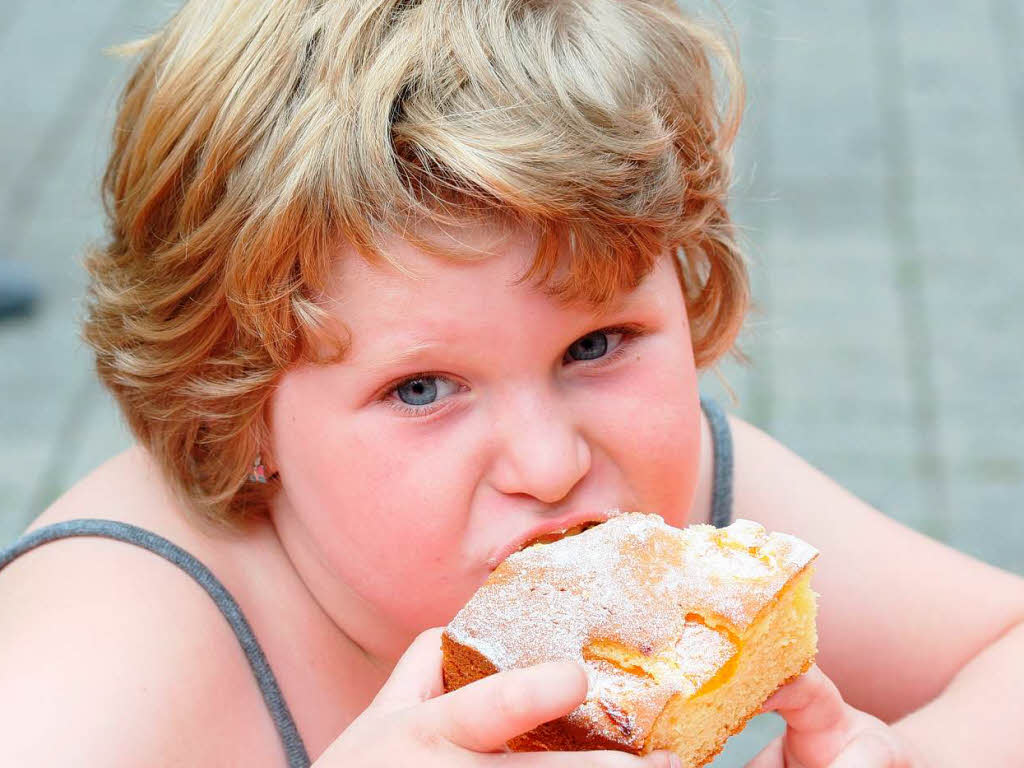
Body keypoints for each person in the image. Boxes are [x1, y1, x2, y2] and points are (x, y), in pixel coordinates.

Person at [1, 1, 1021, 766]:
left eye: (597, 346)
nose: (549, 464)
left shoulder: (662, 518)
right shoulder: (95, 673)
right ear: (236, 402)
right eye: (422, 389)